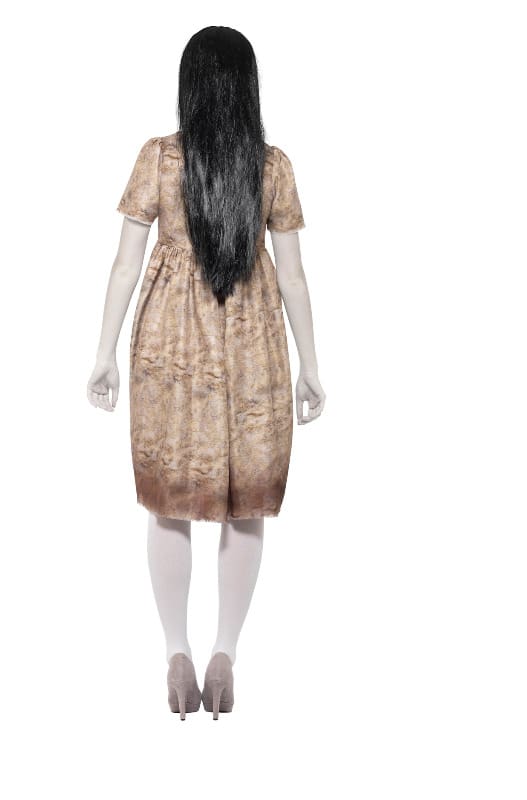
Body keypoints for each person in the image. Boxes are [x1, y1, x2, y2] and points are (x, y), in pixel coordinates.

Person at [86, 26, 325, 720]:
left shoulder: (159, 158)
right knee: (244, 502)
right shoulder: (272, 167)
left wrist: (104, 353)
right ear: (247, 88)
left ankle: (176, 650)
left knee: (170, 498)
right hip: (252, 346)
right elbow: (294, 277)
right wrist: (311, 367)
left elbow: (126, 264)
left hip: (170, 347)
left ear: (189, 87)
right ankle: (225, 650)